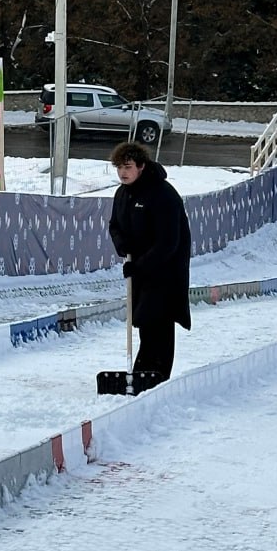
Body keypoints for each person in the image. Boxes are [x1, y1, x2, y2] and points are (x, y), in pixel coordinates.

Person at [108, 140, 191, 388]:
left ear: (141, 166)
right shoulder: (123, 193)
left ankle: (158, 373)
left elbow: (169, 241)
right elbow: (115, 225)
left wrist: (141, 265)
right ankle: (145, 371)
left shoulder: (163, 194)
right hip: (141, 268)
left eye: (128, 166)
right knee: (144, 319)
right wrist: (122, 245)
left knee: (158, 319)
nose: (123, 172)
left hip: (166, 269)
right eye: (119, 167)